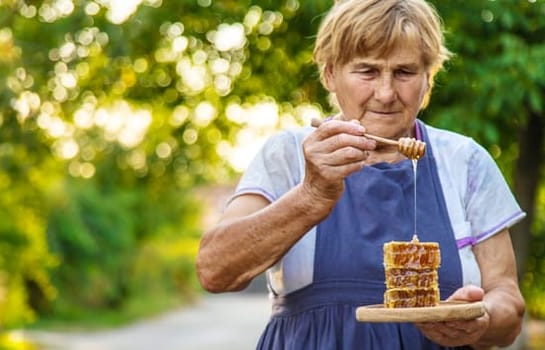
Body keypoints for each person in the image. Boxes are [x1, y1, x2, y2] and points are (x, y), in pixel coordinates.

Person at [196, 0, 528, 348]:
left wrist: (481, 320)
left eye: (404, 72)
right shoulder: (288, 155)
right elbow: (215, 270)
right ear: (329, 73)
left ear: (428, 78)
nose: (385, 94)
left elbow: (508, 302)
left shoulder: (466, 162)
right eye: (367, 71)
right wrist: (310, 195)